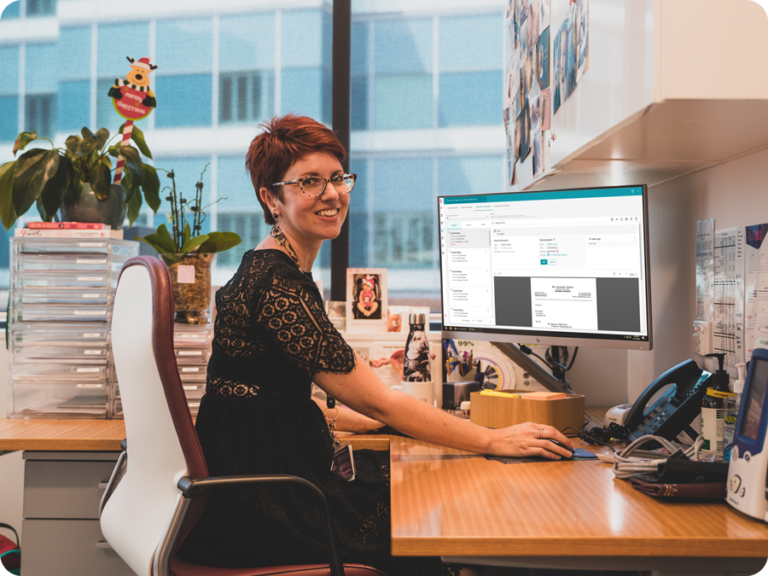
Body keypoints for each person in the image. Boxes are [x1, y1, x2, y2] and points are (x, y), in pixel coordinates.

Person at [178, 114, 574, 574]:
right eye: (309, 182)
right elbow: (382, 403)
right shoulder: (277, 286)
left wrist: (339, 416)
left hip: (261, 477)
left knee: (419, 484)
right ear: (271, 197)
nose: (332, 194)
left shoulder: (267, 267)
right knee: (428, 518)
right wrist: (492, 439)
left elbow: (261, 390)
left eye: (337, 178)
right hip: (267, 504)